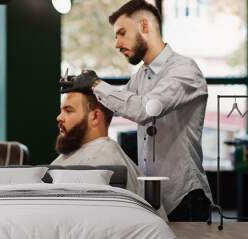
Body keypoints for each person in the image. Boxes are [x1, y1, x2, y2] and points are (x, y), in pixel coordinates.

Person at [59, 0, 212, 221]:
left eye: (121, 33)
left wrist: (95, 84)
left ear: (145, 27)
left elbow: (144, 109)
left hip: (185, 196)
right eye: (115, 36)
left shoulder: (184, 71)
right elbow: (118, 105)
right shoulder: (142, 76)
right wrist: (83, 92)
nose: (117, 43)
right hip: (153, 196)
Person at [51, 89, 142, 197]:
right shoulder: (83, 152)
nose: (59, 117)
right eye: (61, 110)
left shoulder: (103, 163)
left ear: (95, 116)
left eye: (69, 110)